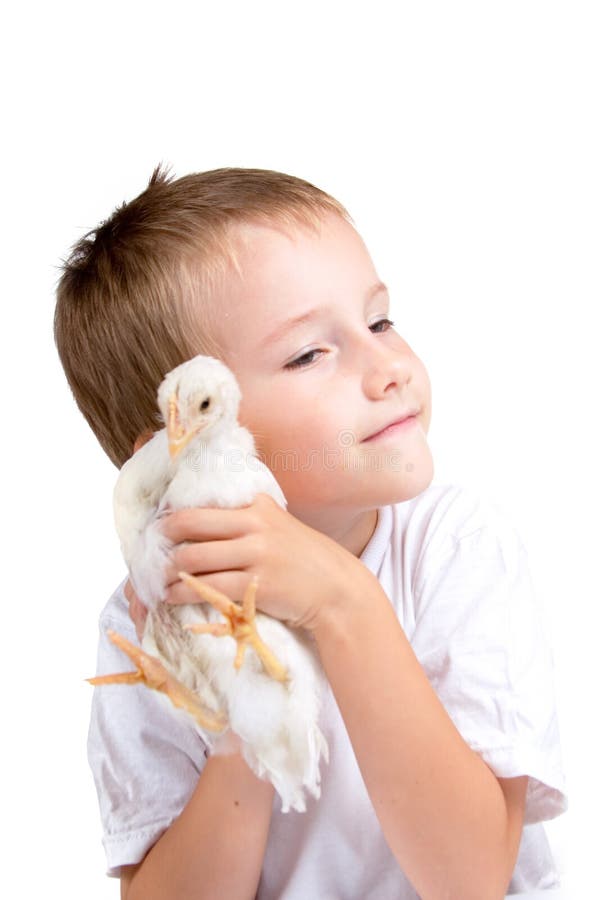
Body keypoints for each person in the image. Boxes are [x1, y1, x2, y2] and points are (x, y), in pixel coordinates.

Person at [55, 166, 568, 899]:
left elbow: (472, 880)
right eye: (308, 354)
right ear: (181, 443)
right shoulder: (149, 617)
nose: (388, 367)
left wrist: (340, 601)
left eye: (380, 321)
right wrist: (245, 727)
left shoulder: (454, 547)